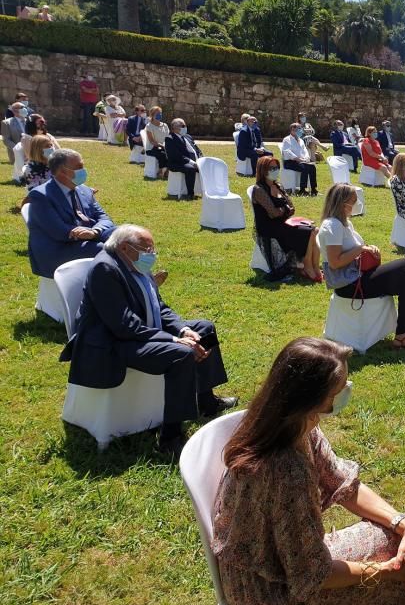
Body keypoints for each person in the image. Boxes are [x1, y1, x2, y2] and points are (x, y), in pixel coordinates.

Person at [212, 337, 405, 605]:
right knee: (401, 564)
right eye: (339, 390)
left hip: (282, 564)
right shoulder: (287, 469)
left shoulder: (290, 424)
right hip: (266, 593)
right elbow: (312, 575)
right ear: (312, 400)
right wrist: (385, 570)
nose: (345, 392)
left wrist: (403, 524)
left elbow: (344, 484)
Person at [61, 224, 236, 455]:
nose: (151, 254)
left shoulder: (132, 263)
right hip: (112, 344)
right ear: (124, 247)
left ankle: (206, 401)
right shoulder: (106, 269)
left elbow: (159, 307)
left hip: (138, 331)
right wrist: (173, 340)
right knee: (182, 354)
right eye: (146, 249)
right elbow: (124, 326)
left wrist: (183, 330)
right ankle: (171, 438)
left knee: (204, 328)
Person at [319, 184, 405, 352]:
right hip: (349, 285)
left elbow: (350, 250)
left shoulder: (344, 223)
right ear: (342, 202)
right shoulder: (332, 226)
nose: (356, 203)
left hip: (358, 276)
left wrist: (367, 248)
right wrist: (360, 249)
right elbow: (334, 263)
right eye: (353, 201)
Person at [26, 149, 115, 278]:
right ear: (62, 171)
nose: (83, 171)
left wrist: (95, 232)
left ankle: (137, 286)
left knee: (126, 237)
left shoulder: (84, 190)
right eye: (79, 167)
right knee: (104, 249)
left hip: (86, 239)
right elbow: (60, 232)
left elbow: (104, 217)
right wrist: (89, 234)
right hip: (57, 251)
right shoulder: (40, 196)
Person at [252, 156, 322, 282]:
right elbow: (273, 213)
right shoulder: (259, 189)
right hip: (269, 227)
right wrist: (285, 210)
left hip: (283, 223)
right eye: (272, 168)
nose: (275, 170)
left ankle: (314, 266)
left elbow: (292, 208)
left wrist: (284, 210)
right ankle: (307, 266)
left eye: (277, 167)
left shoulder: (278, 186)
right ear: (263, 170)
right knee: (309, 232)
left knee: (315, 230)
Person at [165, 118, 203, 199]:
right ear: (175, 127)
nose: (185, 127)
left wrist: (201, 159)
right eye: (183, 126)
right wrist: (193, 163)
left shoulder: (187, 136)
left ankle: (205, 191)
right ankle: (190, 193)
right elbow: (177, 156)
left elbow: (197, 149)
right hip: (176, 163)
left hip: (192, 161)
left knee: (205, 167)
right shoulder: (170, 139)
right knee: (191, 169)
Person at [281, 122, 319, 196]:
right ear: (292, 129)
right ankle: (302, 190)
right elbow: (287, 152)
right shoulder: (287, 139)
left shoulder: (300, 140)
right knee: (305, 168)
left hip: (302, 161)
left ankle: (313, 189)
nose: (301, 130)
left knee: (312, 167)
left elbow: (305, 151)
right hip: (290, 162)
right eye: (299, 128)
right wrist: (298, 159)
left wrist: (307, 158)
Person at [144, 105, 170, 179]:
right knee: (162, 154)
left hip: (163, 147)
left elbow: (167, 138)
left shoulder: (165, 125)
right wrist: (162, 146)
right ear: (152, 115)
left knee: (172, 153)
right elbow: (152, 141)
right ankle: (161, 171)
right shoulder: (149, 126)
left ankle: (167, 171)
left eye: (160, 113)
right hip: (152, 148)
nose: (159, 115)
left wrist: (166, 146)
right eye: (157, 114)